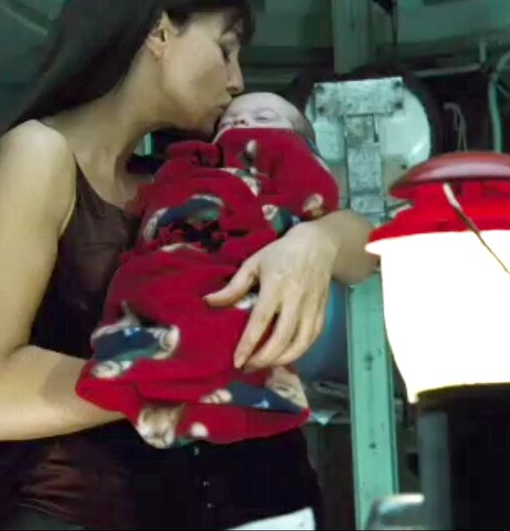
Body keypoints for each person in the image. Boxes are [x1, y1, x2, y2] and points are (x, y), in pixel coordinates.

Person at [0, 0, 377, 531]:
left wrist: (316, 243)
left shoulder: (176, 180)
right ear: (160, 32)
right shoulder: (37, 156)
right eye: (225, 49)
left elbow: (368, 248)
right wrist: (179, 373)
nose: (237, 80)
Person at [76, 93, 339, 449]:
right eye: (228, 121)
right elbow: (161, 196)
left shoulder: (284, 152)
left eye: (263, 117)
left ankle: (175, 383)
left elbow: (314, 196)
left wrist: (292, 223)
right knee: (140, 287)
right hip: (173, 246)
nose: (241, 123)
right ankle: (165, 373)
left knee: (224, 312)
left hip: (234, 249)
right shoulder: (191, 162)